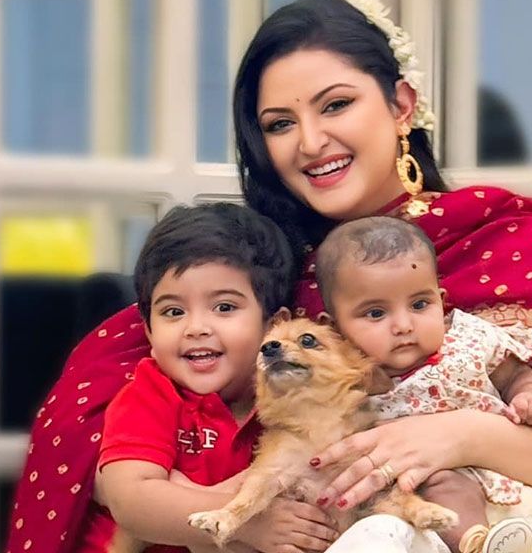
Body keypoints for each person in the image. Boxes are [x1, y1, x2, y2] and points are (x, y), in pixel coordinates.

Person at [5, 0, 532, 552]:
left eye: (334, 105)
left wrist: (458, 435)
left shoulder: (500, 241)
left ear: (401, 105)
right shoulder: (254, 272)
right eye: (279, 124)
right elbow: (101, 445)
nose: (309, 142)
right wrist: (229, 512)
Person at [314, 216, 532, 553]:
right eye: (376, 313)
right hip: (434, 493)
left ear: (441, 300)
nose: (403, 325)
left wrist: (529, 397)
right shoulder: (348, 380)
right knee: (443, 487)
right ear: (334, 328)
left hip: (514, 475)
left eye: (420, 305)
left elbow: (517, 376)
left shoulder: (469, 339)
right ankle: (477, 544)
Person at [74, 202, 338, 552]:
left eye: (224, 307)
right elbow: (131, 502)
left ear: (275, 325)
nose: (196, 328)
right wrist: (249, 523)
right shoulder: (151, 392)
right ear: (149, 333)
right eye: (173, 312)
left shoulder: (298, 396)